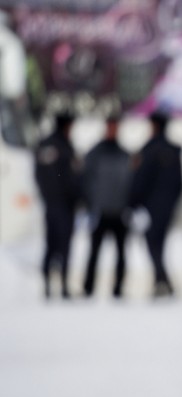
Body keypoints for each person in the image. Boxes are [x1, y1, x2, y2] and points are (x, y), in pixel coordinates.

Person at [130, 112, 182, 297]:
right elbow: (180, 183)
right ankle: (162, 281)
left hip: (151, 207)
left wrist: (134, 201)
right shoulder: (173, 150)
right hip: (167, 206)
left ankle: (162, 281)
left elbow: (141, 179)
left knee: (153, 243)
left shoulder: (149, 150)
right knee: (159, 244)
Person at [81, 115, 133, 298]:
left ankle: (118, 288)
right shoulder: (95, 154)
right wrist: (89, 206)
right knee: (94, 252)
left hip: (120, 211)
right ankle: (88, 288)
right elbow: (86, 181)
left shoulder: (124, 154)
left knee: (121, 253)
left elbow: (131, 182)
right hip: (100, 210)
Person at [34, 112, 80, 299]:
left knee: (51, 244)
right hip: (63, 204)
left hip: (52, 203)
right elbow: (70, 178)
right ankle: (61, 285)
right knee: (62, 245)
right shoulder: (63, 147)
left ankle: (49, 284)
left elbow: (39, 175)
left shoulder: (46, 145)